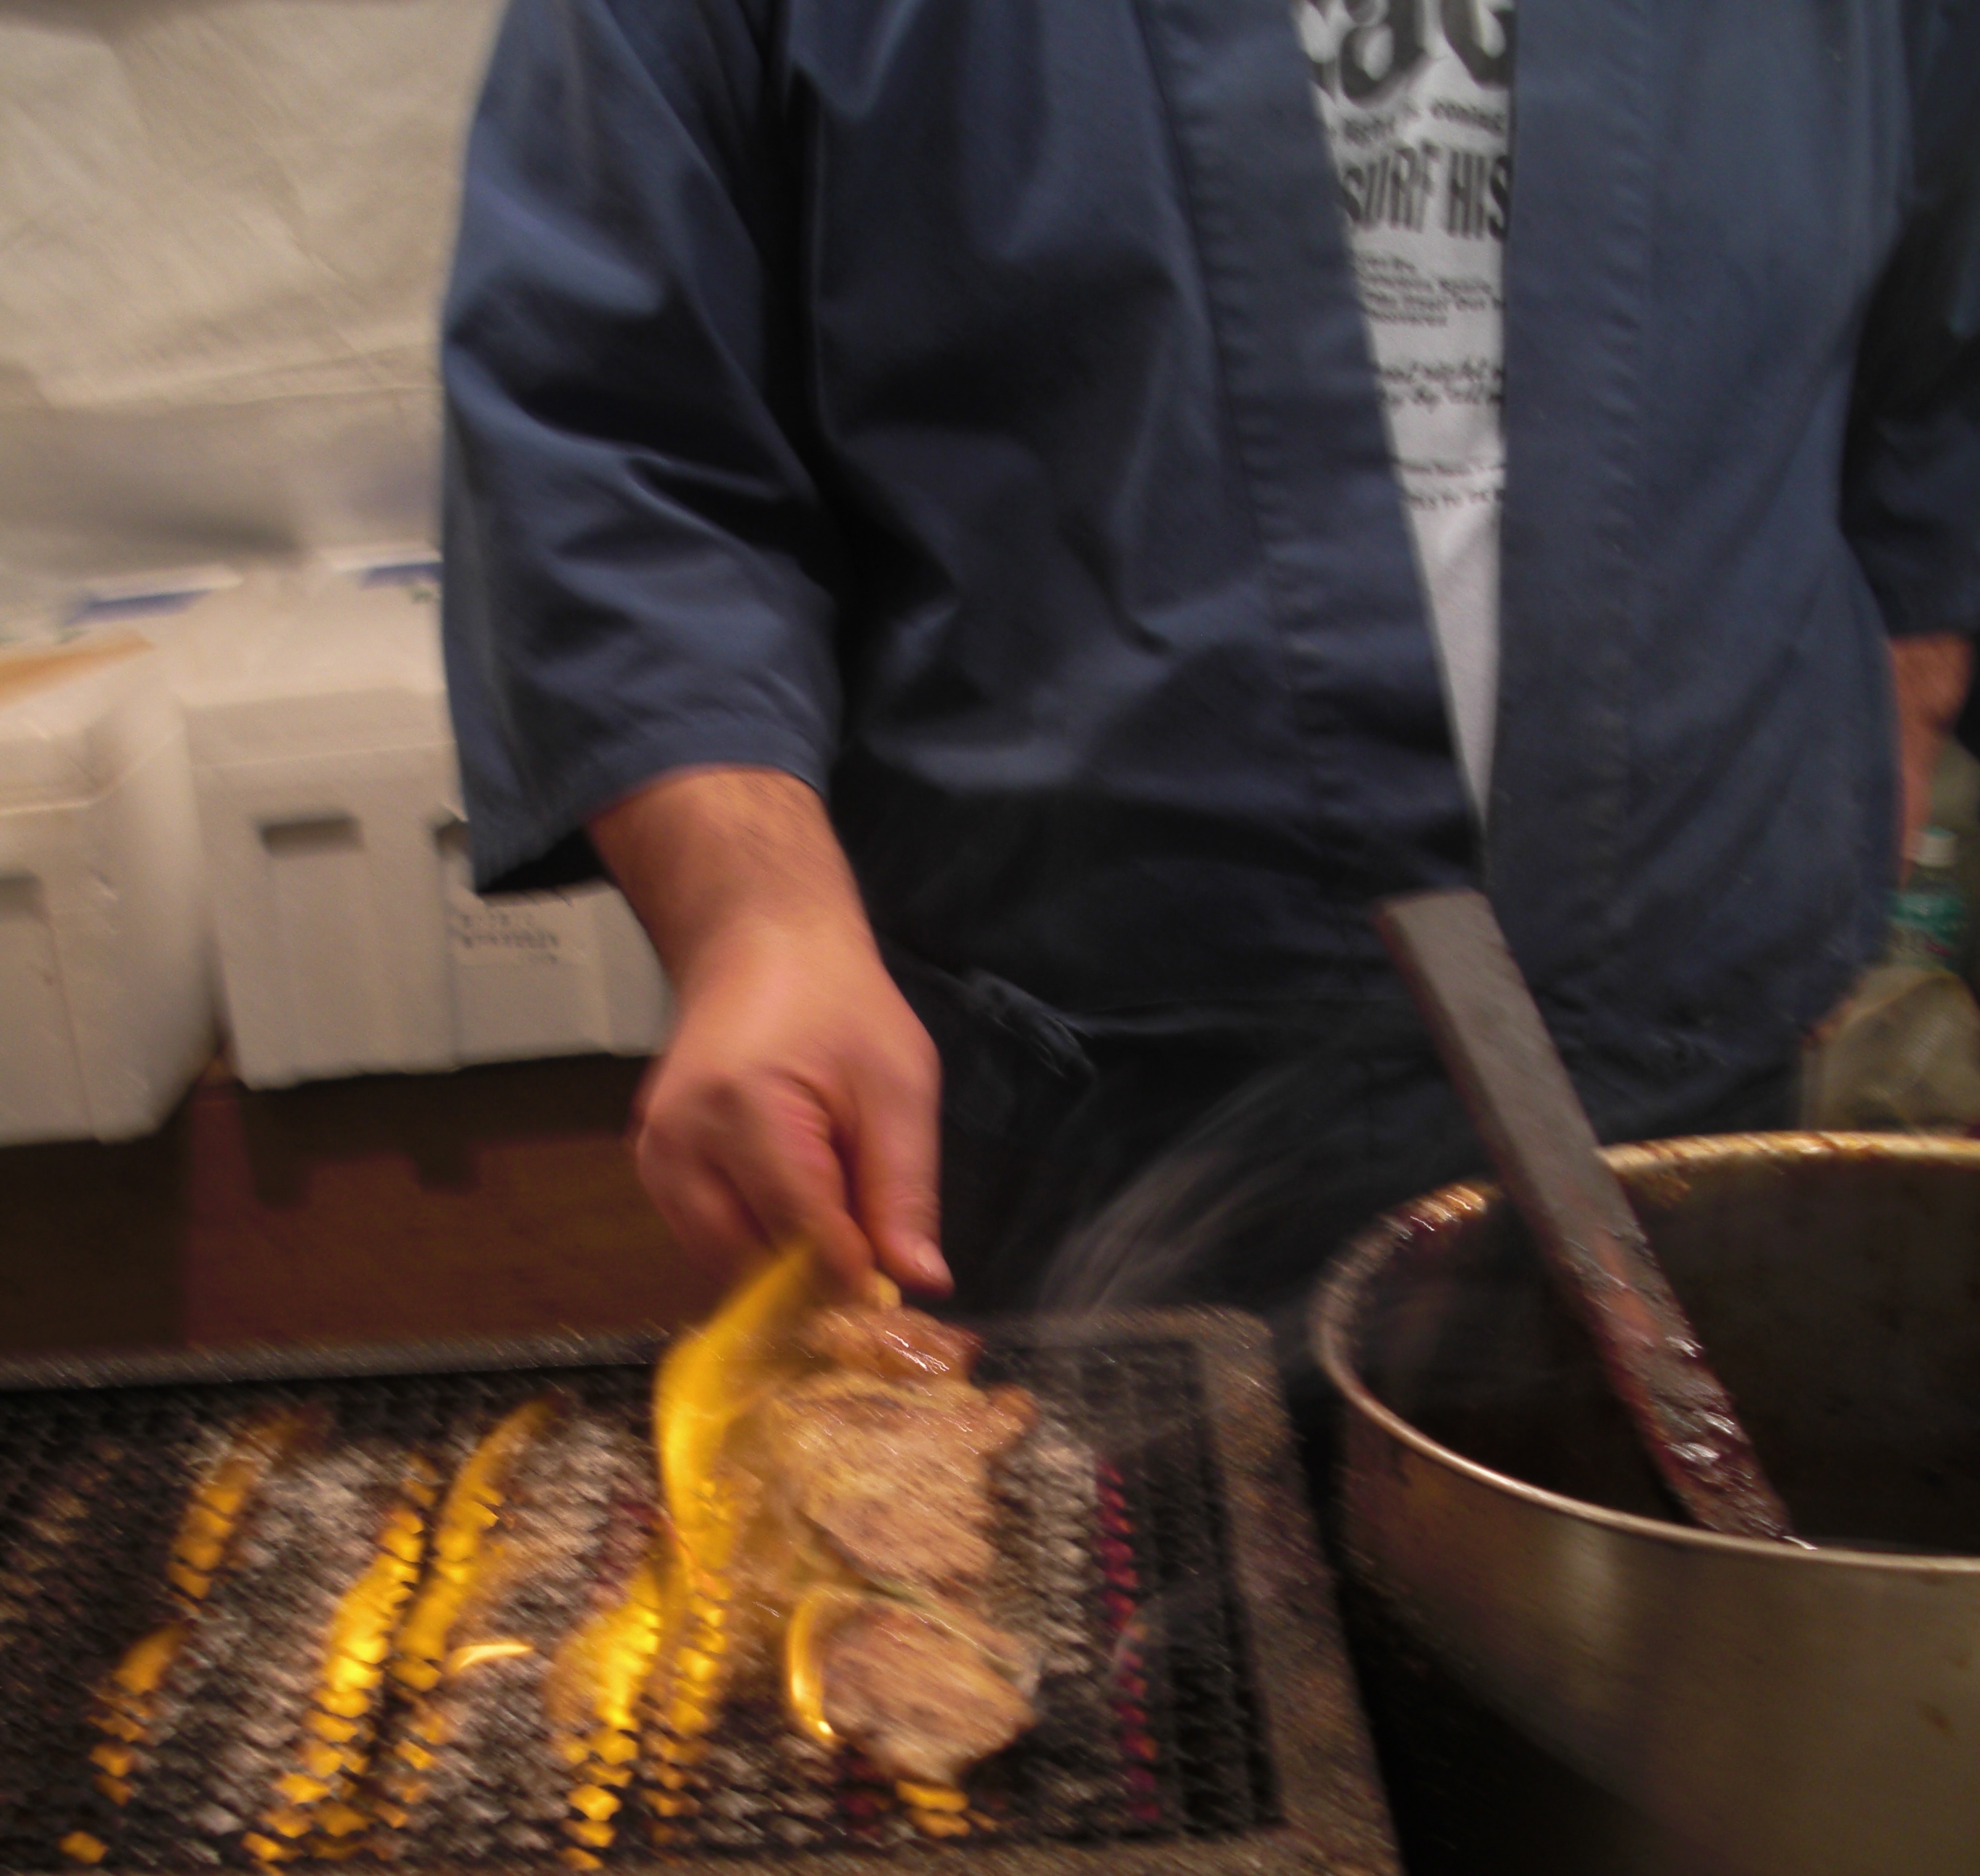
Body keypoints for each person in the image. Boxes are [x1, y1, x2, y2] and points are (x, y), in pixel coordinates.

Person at [441, 0, 1980, 1327]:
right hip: (1066, 1114)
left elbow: (1934, 385)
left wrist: (1879, 759)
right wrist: (756, 918)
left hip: (1688, 1100)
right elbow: (614, 433)